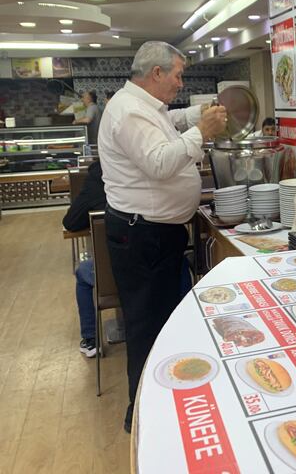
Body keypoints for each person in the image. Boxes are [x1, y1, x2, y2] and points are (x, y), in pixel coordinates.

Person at [98, 41, 227, 432]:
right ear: (156, 74)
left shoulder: (143, 106)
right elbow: (158, 163)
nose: (180, 82)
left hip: (155, 233)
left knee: (167, 322)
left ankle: (166, 404)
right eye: (177, 74)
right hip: (143, 236)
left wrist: (194, 115)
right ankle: (140, 417)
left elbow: (168, 121)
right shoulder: (128, 112)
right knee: (147, 325)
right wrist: (201, 132)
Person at [62, 160, 107, 358]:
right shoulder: (148, 173)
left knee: (83, 272)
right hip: (152, 265)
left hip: (112, 274)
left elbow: (71, 222)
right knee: (180, 261)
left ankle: (90, 339)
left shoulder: (98, 180)